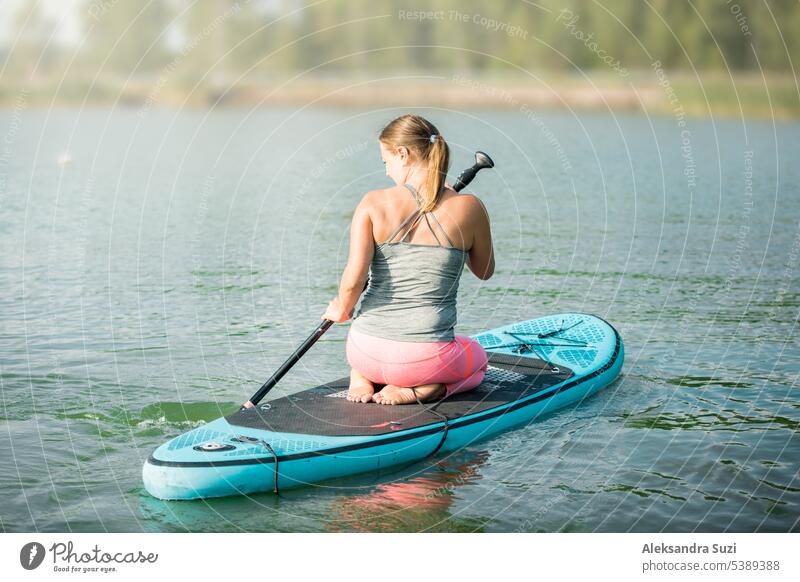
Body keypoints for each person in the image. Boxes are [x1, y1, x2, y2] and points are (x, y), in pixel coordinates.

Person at [321, 114, 495, 405]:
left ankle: (362, 378)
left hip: (363, 349)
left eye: (385, 161)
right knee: (478, 361)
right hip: (423, 360)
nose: (387, 172)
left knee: (371, 352)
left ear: (403, 154)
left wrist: (341, 308)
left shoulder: (372, 202)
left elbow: (354, 280)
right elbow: (484, 270)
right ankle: (422, 389)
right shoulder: (470, 207)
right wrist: (460, 232)